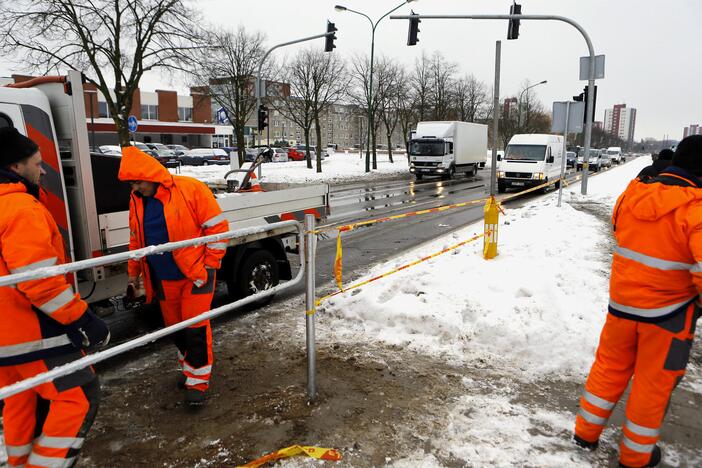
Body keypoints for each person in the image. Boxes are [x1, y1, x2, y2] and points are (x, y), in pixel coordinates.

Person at [573, 134, 702, 467]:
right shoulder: (697, 208)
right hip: (668, 316)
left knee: (608, 368)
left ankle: (585, 432)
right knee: (651, 385)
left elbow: (618, 228)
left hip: (622, 303)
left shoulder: (633, 192)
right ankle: (635, 457)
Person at [0, 127, 109, 467]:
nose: (43, 170)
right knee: (78, 396)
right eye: (38, 162)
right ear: (16, 167)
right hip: (32, 334)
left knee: (23, 403)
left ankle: (20, 462)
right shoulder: (19, 208)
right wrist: (84, 320)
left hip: (6, 339)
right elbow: (39, 282)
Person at [118, 146, 228, 407]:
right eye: (131, 184)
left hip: (195, 275)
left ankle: (198, 382)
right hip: (163, 277)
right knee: (175, 328)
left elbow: (217, 228)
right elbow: (136, 239)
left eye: (137, 182)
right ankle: (189, 368)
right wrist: (134, 273)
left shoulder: (190, 189)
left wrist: (209, 267)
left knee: (196, 329)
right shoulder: (136, 200)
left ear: (150, 175)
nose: (135, 188)